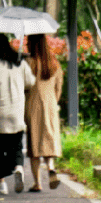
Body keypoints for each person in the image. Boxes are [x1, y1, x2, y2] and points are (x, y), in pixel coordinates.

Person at [0, 33, 35, 194]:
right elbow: (31, 82)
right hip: (17, 112)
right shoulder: (20, 62)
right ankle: (18, 168)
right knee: (16, 147)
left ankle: (1, 184)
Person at [24, 33, 63, 192]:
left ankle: (37, 183)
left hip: (32, 105)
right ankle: (51, 166)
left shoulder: (28, 63)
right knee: (48, 138)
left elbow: (24, 86)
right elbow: (58, 89)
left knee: (34, 145)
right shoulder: (54, 64)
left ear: (32, 45)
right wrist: (53, 101)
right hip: (51, 105)